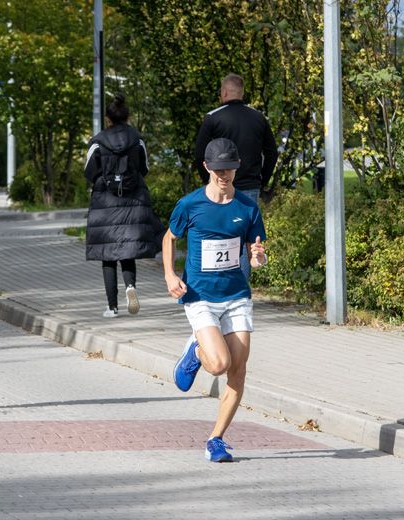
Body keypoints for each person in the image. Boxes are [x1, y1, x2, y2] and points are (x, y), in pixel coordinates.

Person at [163, 138, 267, 462]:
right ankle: (195, 351)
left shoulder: (247, 208)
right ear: (207, 167)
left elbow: (256, 252)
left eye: (230, 168)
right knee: (219, 363)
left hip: (236, 296)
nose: (224, 174)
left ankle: (216, 439)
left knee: (238, 370)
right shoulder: (190, 205)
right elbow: (169, 238)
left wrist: (259, 257)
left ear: (237, 169)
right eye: (219, 168)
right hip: (200, 296)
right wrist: (169, 275)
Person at [84, 93, 161, 318]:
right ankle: (131, 287)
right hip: (132, 201)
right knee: (127, 250)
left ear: (108, 119)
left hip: (105, 203)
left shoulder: (97, 141)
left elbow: (89, 171)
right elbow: (144, 168)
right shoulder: (137, 140)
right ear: (128, 117)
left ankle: (112, 307)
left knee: (108, 255)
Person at [194, 73, 277, 281]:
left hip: (219, 187)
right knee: (246, 239)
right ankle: (241, 290)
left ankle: (218, 283)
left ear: (223, 92)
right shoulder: (258, 117)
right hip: (250, 186)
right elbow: (272, 152)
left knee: (217, 234)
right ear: (242, 93)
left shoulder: (213, 118)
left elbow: (199, 153)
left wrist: (209, 179)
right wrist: (262, 179)